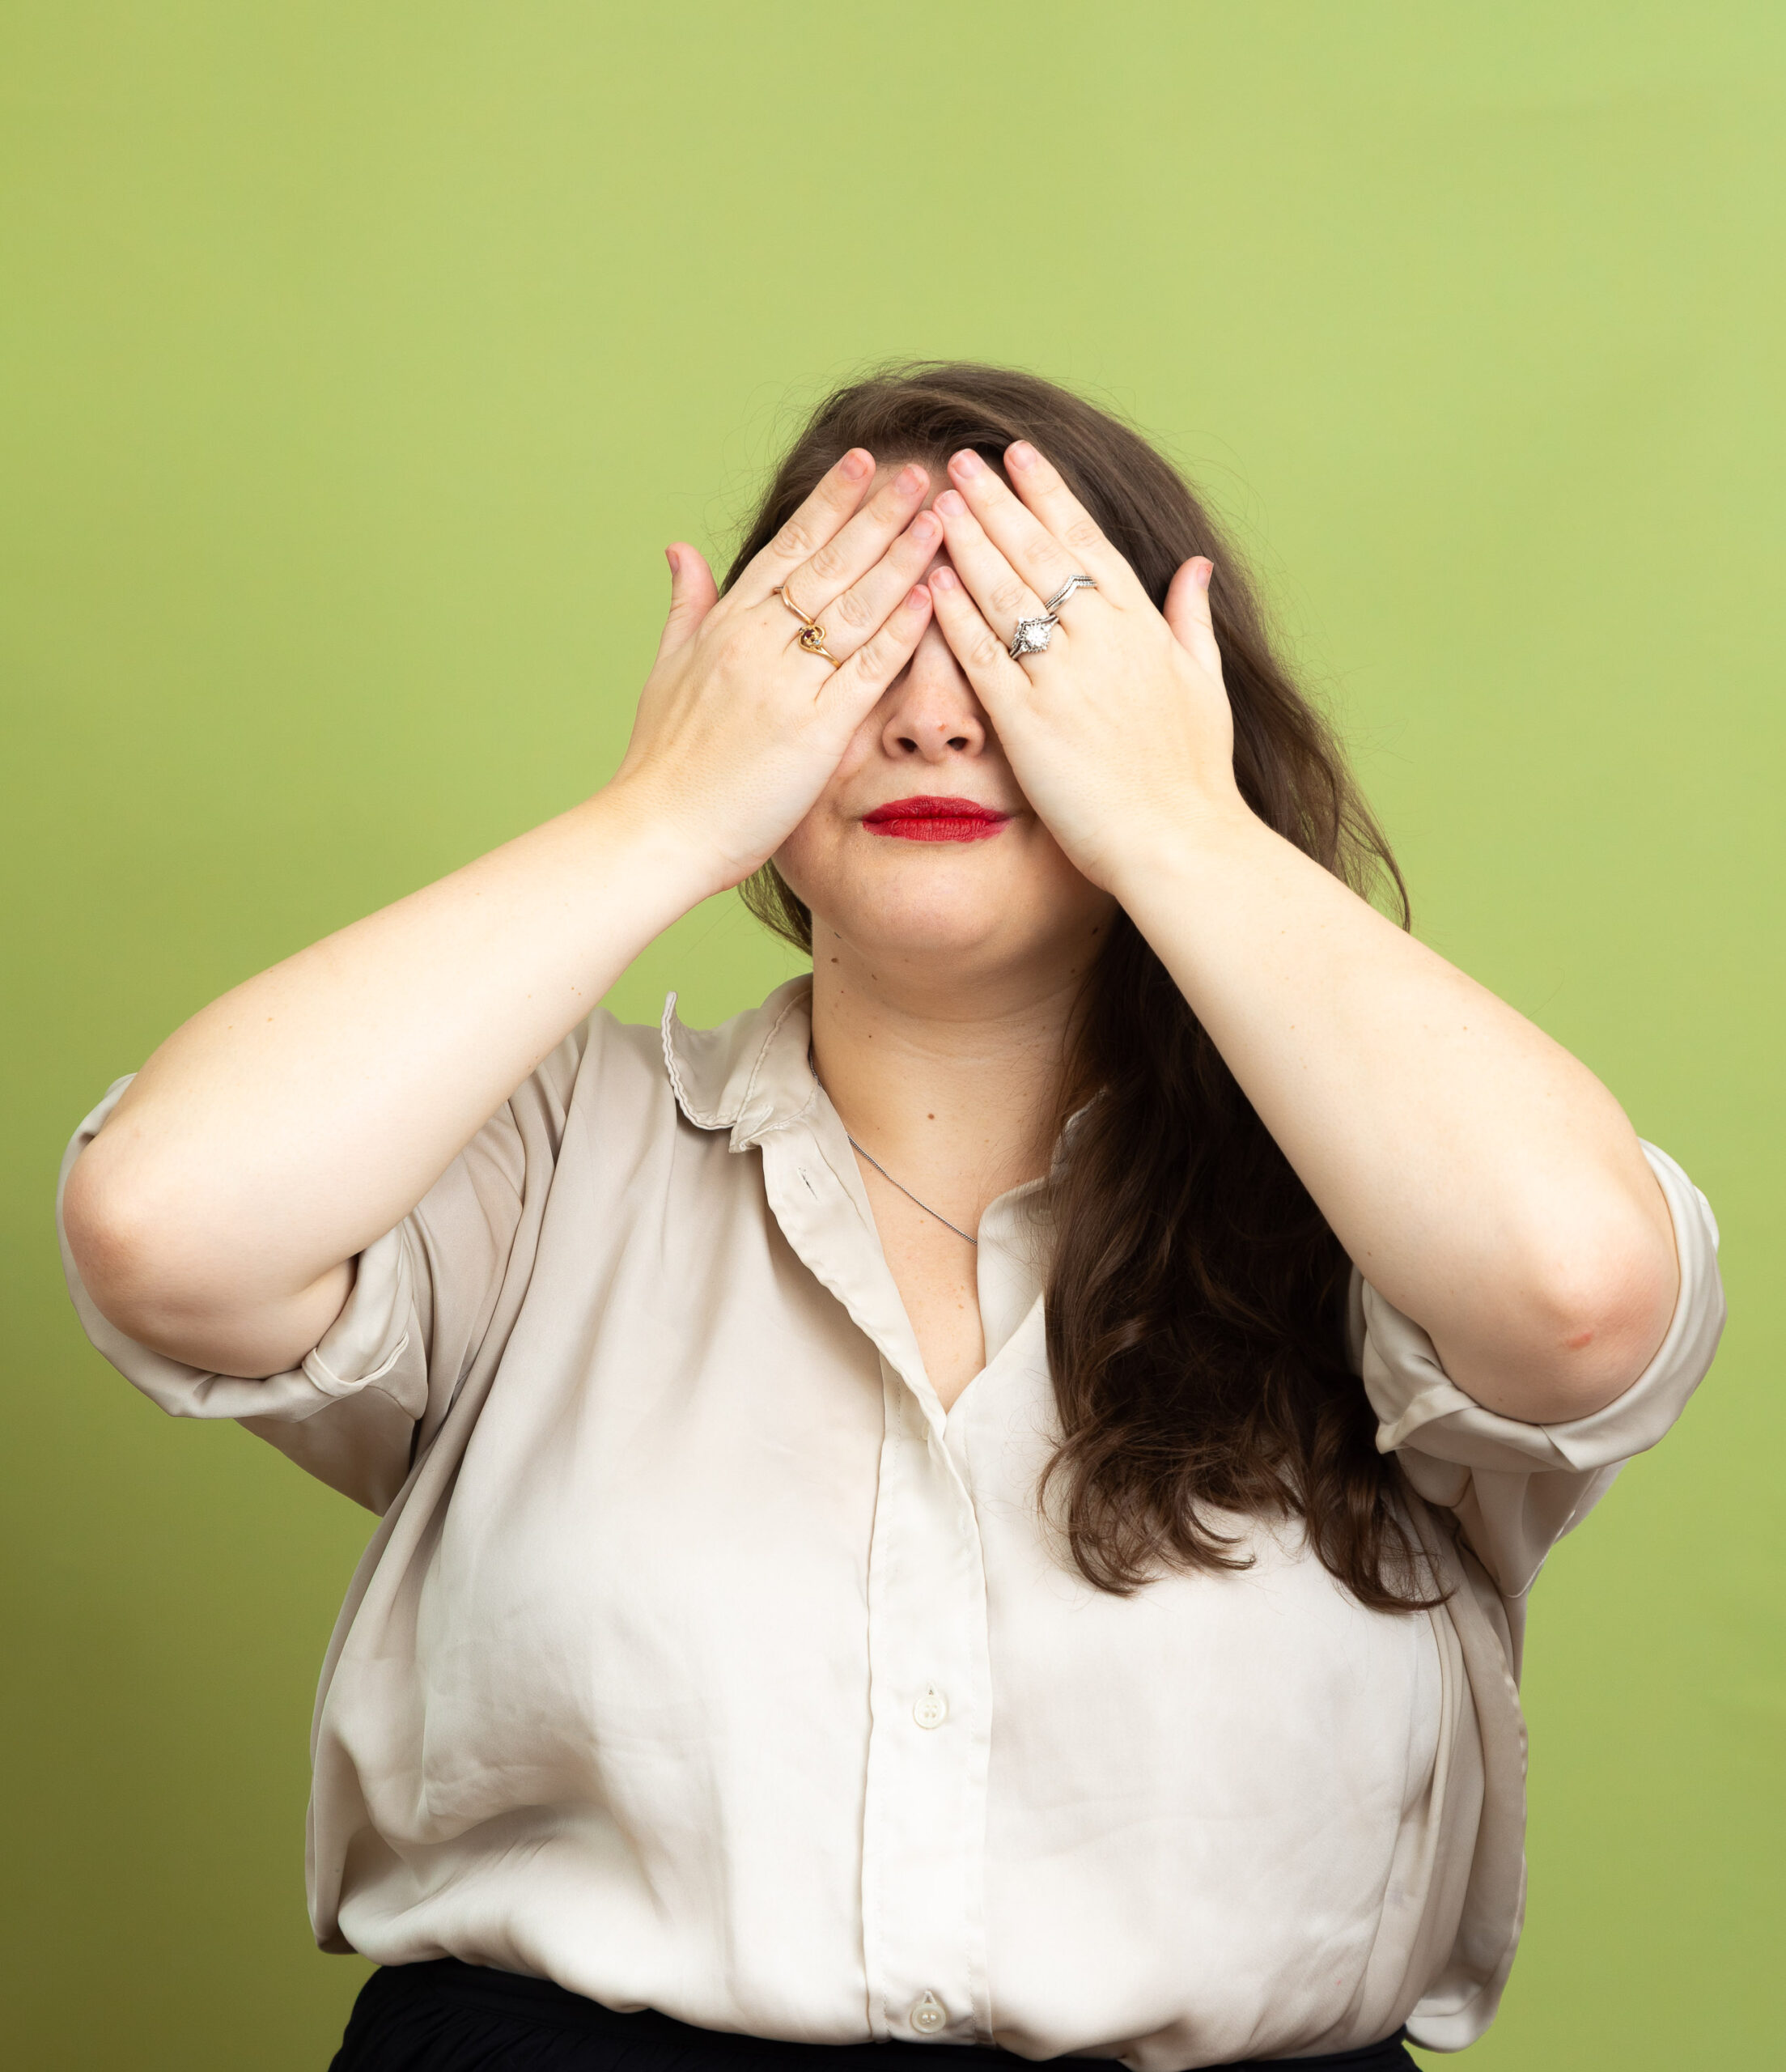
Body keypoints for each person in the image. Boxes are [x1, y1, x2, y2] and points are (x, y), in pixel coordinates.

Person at [57, 363, 1723, 2071]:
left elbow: (1580, 1291)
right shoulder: (551, 1157)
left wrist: (1176, 822)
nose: (931, 721)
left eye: (1022, 648)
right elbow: (164, 1223)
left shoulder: (1370, 1197)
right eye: (851, 649)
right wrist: (665, 813)